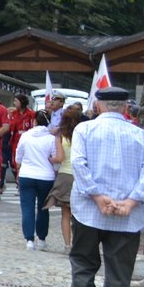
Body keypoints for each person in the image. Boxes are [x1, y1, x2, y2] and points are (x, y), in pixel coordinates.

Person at [65, 87, 144, 287]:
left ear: (98, 106)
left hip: (89, 210)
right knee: (119, 273)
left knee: (84, 266)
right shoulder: (141, 136)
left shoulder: (84, 130)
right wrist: (131, 201)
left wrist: (97, 196)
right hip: (127, 215)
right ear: (126, 108)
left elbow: (79, 164)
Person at [14, 110, 61, 250]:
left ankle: (29, 239)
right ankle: (42, 238)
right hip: (45, 176)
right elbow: (55, 159)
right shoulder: (51, 139)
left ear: (34, 121)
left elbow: (18, 157)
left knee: (27, 207)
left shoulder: (26, 136)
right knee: (43, 208)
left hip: (27, 174)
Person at [49, 104, 86, 249]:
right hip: (79, 175)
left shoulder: (60, 136)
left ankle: (67, 244)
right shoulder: (83, 135)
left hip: (65, 174)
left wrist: (50, 159)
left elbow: (59, 158)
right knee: (80, 213)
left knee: (66, 213)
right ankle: (79, 243)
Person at [5, 93, 36, 192]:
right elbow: (10, 126)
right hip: (16, 142)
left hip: (28, 141)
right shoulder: (14, 114)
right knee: (16, 163)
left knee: (26, 162)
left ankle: (24, 184)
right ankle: (19, 184)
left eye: (16, 101)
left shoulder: (31, 114)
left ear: (22, 102)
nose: (14, 103)